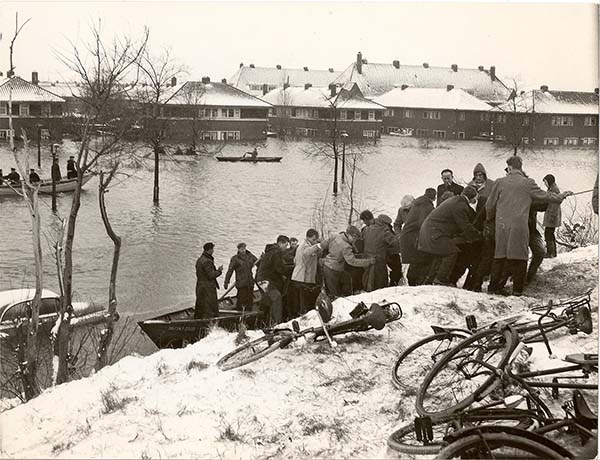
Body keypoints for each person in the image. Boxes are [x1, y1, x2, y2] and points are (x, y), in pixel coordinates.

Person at [485, 156, 572, 296]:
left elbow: (490, 205)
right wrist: (561, 196)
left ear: (510, 167)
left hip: (501, 226)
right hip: (519, 226)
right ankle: (517, 290)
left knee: (500, 255)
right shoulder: (528, 183)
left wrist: (490, 220)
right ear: (521, 167)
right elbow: (546, 196)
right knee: (520, 256)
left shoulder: (499, 182)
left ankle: (494, 288)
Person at [418, 186, 481, 286]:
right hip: (435, 233)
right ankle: (440, 280)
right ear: (472, 198)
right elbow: (464, 225)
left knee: (441, 253)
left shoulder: (455, 200)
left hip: (429, 232)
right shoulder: (460, 205)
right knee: (452, 252)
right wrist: (478, 235)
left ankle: (429, 281)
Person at [320, 226, 375, 298]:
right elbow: (352, 261)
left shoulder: (335, 236)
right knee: (335, 294)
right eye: (354, 238)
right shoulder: (346, 246)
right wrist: (368, 261)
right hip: (334, 271)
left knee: (335, 289)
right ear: (349, 235)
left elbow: (323, 245)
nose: (354, 241)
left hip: (327, 267)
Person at [400, 188, 437, 286]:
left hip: (409, 237)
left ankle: (415, 282)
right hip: (414, 238)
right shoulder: (426, 205)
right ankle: (419, 284)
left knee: (417, 261)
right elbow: (424, 224)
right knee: (424, 260)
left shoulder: (418, 204)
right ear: (434, 197)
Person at [256, 235, 292, 325]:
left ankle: (267, 321)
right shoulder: (276, 252)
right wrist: (292, 268)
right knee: (276, 298)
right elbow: (280, 269)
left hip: (261, 279)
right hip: (265, 280)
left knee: (269, 301)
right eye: (285, 245)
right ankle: (277, 323)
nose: (286, 248)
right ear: (280, 243)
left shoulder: (271, 251)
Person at [362, 214, 399, 291]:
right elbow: (394, 242)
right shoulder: (384, 230)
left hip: (367, 258)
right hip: (380, 259)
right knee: (381, 283)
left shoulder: (366, 228)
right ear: (385, 223)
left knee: (369, 279)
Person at [291, 229, 322, 315]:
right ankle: (304, 316)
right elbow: (307, 253)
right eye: (313, 239)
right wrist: (318, 246)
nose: (315, 241)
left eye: (316, 240)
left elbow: (295, 260)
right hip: (303, 278)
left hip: (299, 277)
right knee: (304, 301)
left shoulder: (303, 246)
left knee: (302, 300)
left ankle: (302, 314)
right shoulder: (305, 246)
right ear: (308, 237)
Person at [223, 242, 258, 311]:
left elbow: (258, 263)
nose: (243, 250)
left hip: (250, 282)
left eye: (244, 248)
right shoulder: (235, 259)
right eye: (242, 249)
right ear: (238, 249)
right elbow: (230, 271)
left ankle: (248, 316)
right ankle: (239, 315)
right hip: (241, 283)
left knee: (250, 301)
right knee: (241, 300)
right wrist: (226, 282)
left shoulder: (250, 256)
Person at [195, 242, 223, 319]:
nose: (213, 251)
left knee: (200, 305)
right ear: (209, 250)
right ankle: (209, 323)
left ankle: (198, 319)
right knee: (209, 306)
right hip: (208, 287)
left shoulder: (200, 260)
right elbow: (211, 275)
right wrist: (219, 271)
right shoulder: (207, 261)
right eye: (212, 249)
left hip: (200, 286)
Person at [542, 174, 561, 258]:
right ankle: (553, 252)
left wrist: (552, 217)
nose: (545, 184)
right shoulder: (551, 189)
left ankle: (551, 253)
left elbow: (554, 205)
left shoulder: (554, 190)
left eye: (545, 182)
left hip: (552, 216)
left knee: (548, 234)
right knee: (550, 233)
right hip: (552, 215)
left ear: (549, 181)